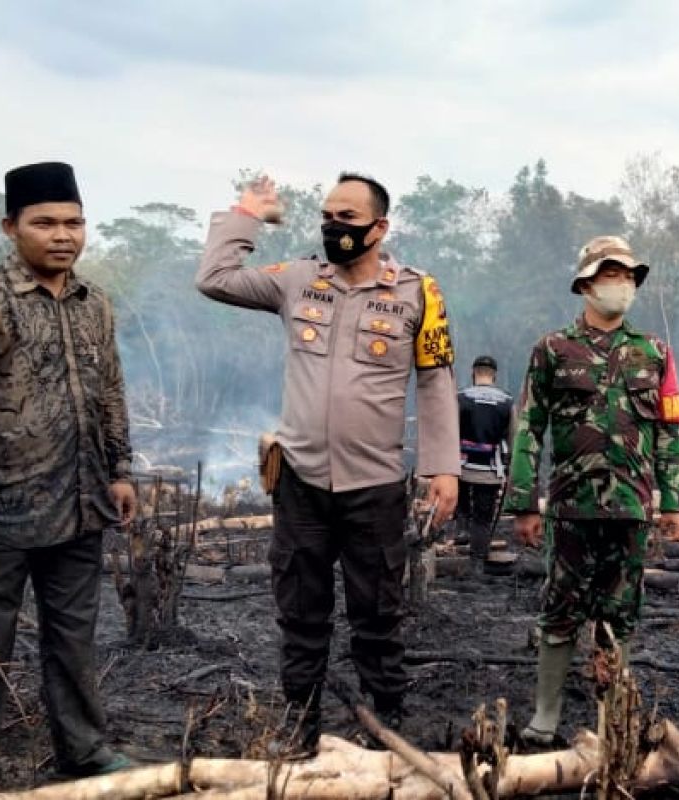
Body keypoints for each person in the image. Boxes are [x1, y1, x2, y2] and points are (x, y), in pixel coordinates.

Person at [195, 173, 460, 755]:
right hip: (302, 484)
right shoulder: (296, 280)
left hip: (377, 488)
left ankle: (386, 740)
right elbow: (213, 279)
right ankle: (298, 735)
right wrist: (247, 214)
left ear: (379, 228)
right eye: (328, 215)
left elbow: (436, 381)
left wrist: (445, 467)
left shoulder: (419, 292)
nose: (335, 226)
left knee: (378, 620)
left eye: (348, 217)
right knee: (301, 619)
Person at [0, 162, 137, 794]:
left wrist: (120, 468)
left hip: (81, 505)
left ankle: (83, 752)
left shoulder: (94, 303)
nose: (63, 235)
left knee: (74, 642)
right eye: (45, 223)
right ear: (11, 227)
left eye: (74, 222)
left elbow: (110, 388)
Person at [504, 235, 679, 746]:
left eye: (628, 276)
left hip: (632, 506)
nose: (621, 284)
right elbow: (528, 429)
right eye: (611, 274)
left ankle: (612, 716)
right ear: (586, 283)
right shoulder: (552, 350)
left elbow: (670, 430)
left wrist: (674, 501)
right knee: (560, 607)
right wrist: (524, 501)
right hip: (570, 505)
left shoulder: (653, 352)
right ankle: (546, 714)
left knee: (619, 612)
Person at [456, 355, 513, 563]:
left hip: (461, 465)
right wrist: (509, 466)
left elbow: (450, 431)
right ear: (494, 376)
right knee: (483, 517)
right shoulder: (506, 401)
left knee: (462, 506)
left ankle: (461, 533)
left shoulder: (461, 397)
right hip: (490, 469)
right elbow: (512, 436)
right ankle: (478, 559)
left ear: (473, 373)